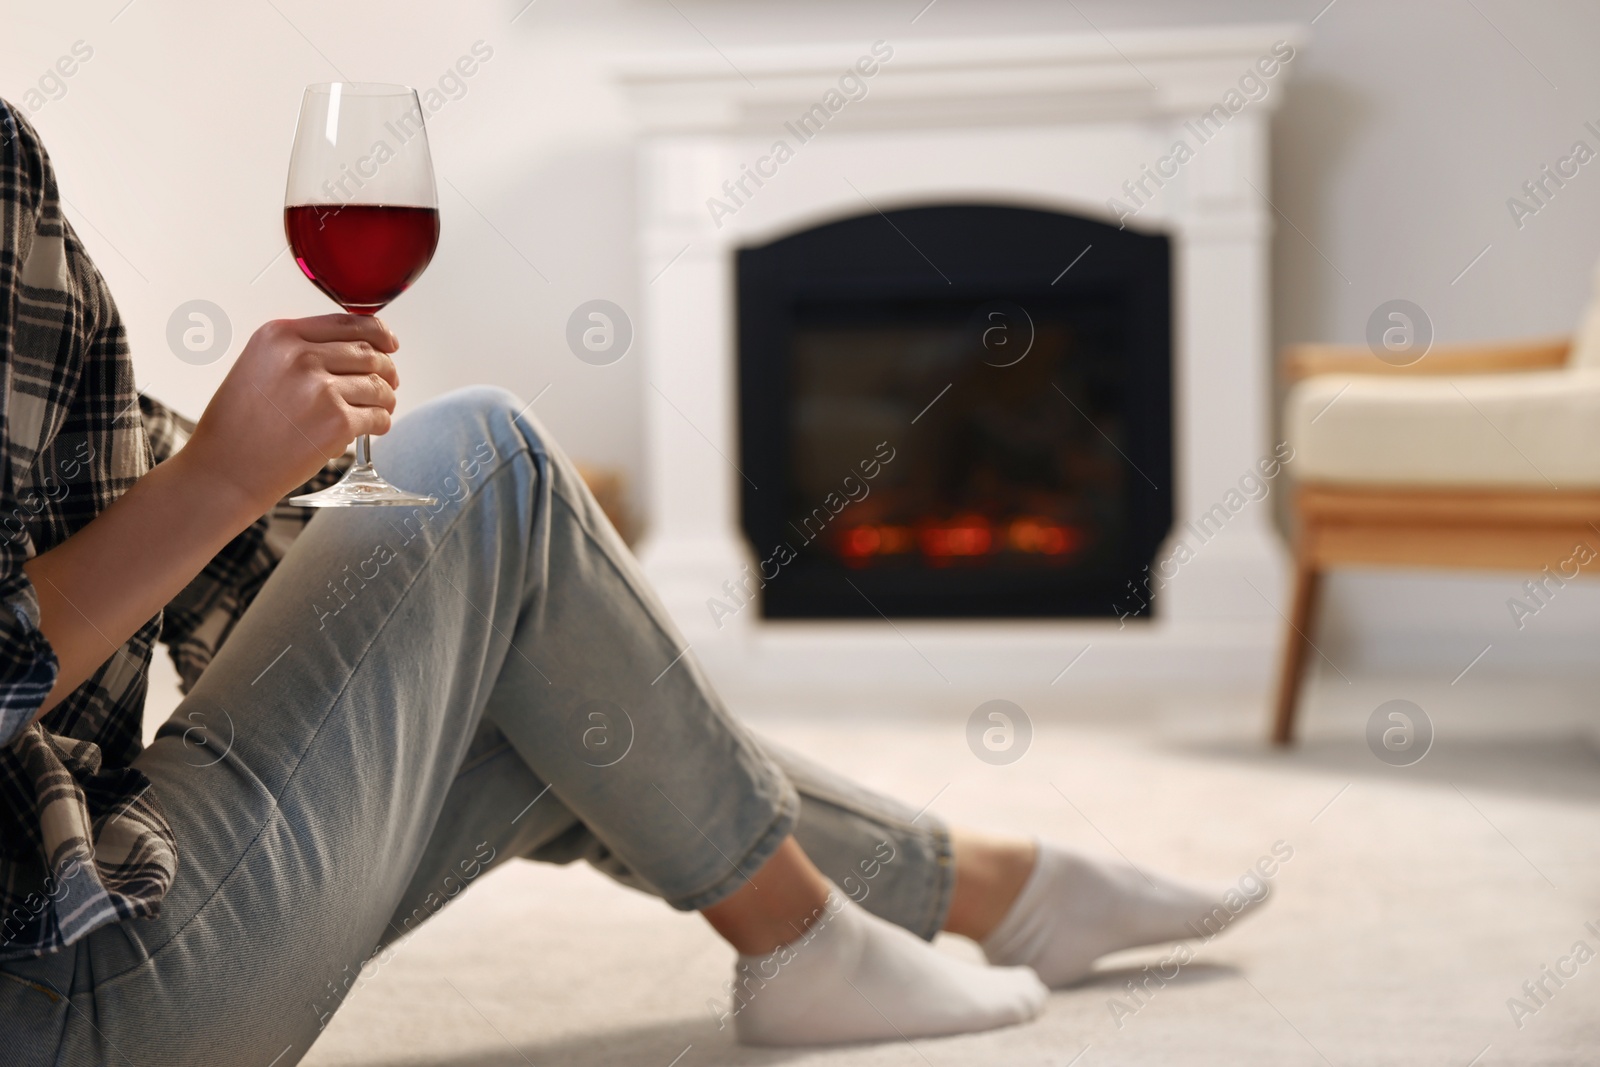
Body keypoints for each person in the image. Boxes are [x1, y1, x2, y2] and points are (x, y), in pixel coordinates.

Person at [0, 99, 1266, 1064]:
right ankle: (809, 938)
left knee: (545, 685)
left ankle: (997, 887)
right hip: (67, 984)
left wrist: (406, 590)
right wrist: (221, 478)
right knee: (483, 451)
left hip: (87, 910)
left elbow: (95, 475)